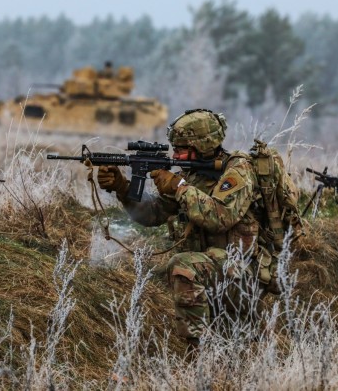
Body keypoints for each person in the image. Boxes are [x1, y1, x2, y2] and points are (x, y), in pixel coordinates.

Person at [96, 109, 299, 348]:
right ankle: (232, 338)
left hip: (247, 273)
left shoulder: (239, 171)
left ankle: (199, 353)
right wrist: (123, 189)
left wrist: (179, 187)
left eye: (181, 148)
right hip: (218, 269)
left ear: (202, 145)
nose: (175, 154)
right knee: (236, 337)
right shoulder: (193, 175)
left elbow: (220, 217)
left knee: (183, 265)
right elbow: (154, 214)